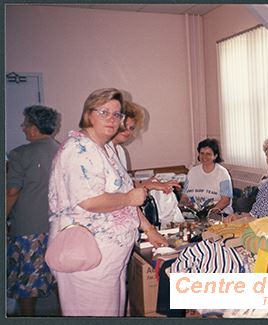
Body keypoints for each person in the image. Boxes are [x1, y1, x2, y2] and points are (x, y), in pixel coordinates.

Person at [47, 88, 166, 316]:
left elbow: (123, 198)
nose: (112, 119)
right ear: (88, 114)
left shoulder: (105, 149)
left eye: (117, 114)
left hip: (108, 261)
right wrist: (130, 197)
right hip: (88, 260)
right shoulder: (79, 149)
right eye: (104, 112)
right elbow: (89, 201)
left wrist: (148, 229)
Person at [6, 105, 60, 316]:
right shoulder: (62, 150)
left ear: (35, 128)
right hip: (58, 227)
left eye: (25, 124)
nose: (23, 127)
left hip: (28, 229)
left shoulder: (20, 154)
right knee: (58, 278)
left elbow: (12, 192)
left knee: (26, 284)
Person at [108, 100, 179, 193]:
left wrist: (150, 183)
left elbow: (127, 187)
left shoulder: (120, 151)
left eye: (131, 128)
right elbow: (114, 193)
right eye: (124, 126)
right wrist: (149, 185)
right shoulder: (102, 150)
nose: (128, 131)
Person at [181, 138, 233, 215]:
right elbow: (184, 197)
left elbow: (225, 201)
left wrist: (208, 213)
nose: (204, 157)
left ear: (215, 156)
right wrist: (184, 205)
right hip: (194, 214)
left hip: (217, 214)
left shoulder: (222, 173)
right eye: (202, 153)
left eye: (208, 154)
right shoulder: (192, 171)